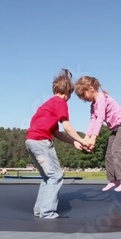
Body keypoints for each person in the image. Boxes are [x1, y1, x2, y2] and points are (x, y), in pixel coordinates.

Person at [25, 69, 87, 219]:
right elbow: (66, 126)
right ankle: (48, 213)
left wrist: (73, 142)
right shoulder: (60, 102)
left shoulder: (47, 105)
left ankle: (39, 210)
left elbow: (57, 133)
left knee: (48, 177)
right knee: (56, 175)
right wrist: (82, 140)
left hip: (31, 141)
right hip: (41, 141)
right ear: (67, 92)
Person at [75, 76, 121, 192]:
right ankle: (114, 180)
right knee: (108, 153)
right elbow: (93, 120)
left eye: (83, 95)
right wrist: (86, 138)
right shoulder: (93, 105)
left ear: (91, 89)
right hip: (116, 128)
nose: (83, 99)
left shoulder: (101, 98)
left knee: (117, 150)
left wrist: (94, 138)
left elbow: (100, 118)